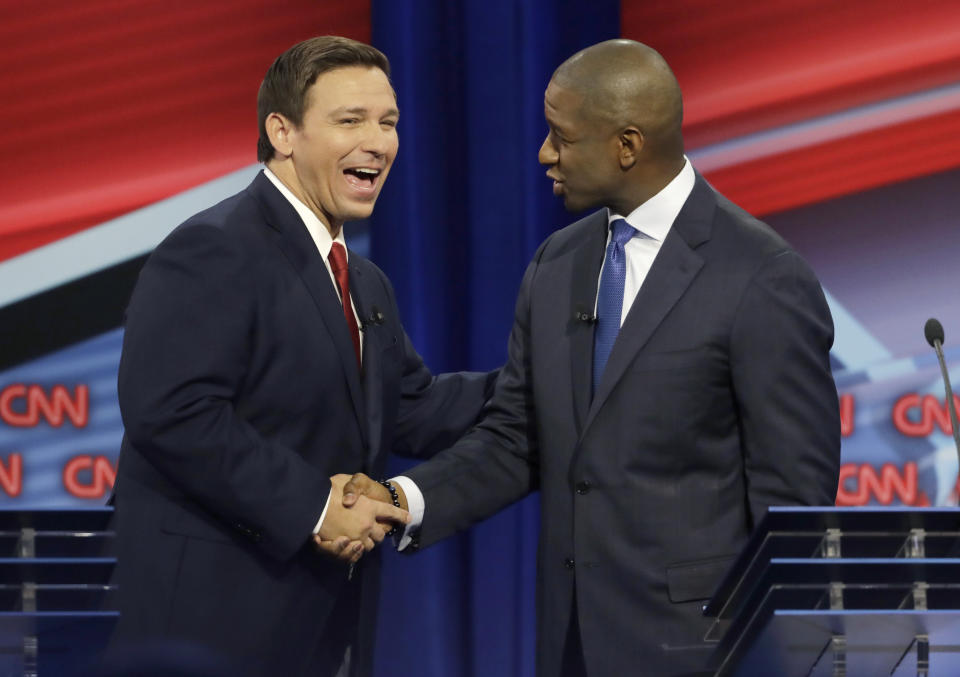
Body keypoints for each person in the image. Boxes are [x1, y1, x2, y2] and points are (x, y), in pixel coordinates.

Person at [344, 39, 841, 676]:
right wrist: (400, 500)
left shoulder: (760, 276)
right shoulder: (558, 262)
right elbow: (517, 436)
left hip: (706, 648)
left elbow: (794, 505)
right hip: (571, 643)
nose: (544, 153)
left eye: (561, 136)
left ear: (627, 145)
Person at [108, 36, 494, 677]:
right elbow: (172, 412)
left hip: (318, 621)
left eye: (389, 122)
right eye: (351, 121)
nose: (379, 141)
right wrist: (317, 505)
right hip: (210, 624)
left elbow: (414, 411)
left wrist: (547, 377)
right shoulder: (215, 247)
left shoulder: (362, 278)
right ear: (282, 133)